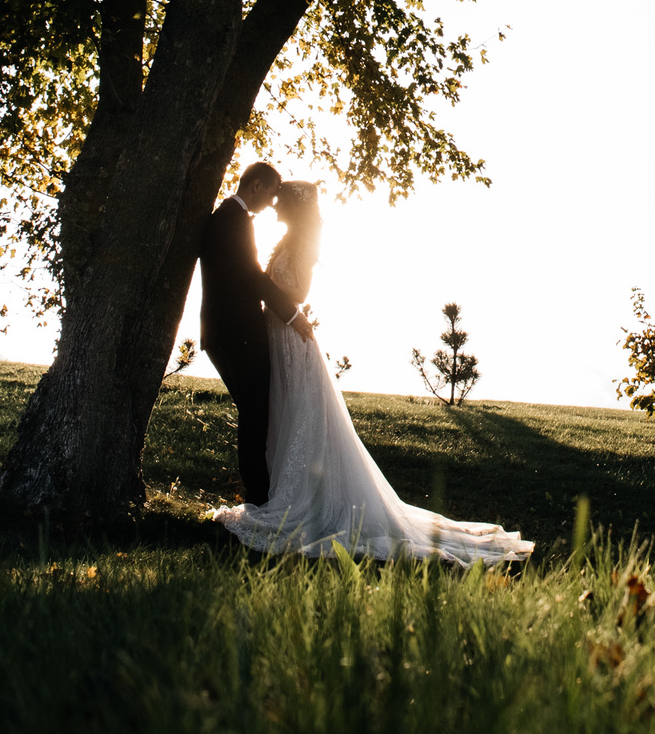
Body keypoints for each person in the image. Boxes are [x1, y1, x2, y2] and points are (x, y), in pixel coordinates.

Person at [211, 177, 532, 565]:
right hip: (277, 334)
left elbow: (300, 292)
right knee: (280, 414)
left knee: (300, 416)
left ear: (294, 207)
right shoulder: (286, 240)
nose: (275, 207)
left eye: (281, 202)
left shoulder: (304, 244)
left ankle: (302, 500)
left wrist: (279, 302)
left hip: (290, 337)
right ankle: (278, 490)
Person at [197, 160, 315, 504]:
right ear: (257, 185)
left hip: (227, 330)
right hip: (239, 331)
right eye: (272, 192)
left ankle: (260, 491)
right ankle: (259, 496)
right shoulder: (233, 220)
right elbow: (252, 275)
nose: (272, 202)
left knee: (255, 413)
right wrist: (292, 314)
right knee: (255, 415)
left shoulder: (227, 218)